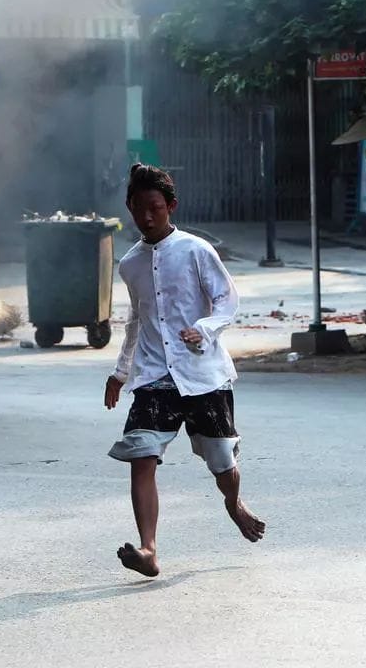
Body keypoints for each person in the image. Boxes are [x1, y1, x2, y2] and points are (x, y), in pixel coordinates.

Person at [104, 163, 265, 578]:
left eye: (155, 207)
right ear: (129, 207)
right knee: (142, 454)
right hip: (155, 376)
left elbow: (227, 302)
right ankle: (149, 549)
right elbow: (136, 321)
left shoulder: (196, 250)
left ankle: (233, 503)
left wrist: (205, 329)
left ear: (171, 206)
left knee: (222, 462)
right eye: (138, 208)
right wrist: (121, 373)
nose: (147, 216)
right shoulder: (130, 264)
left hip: (202, 375)